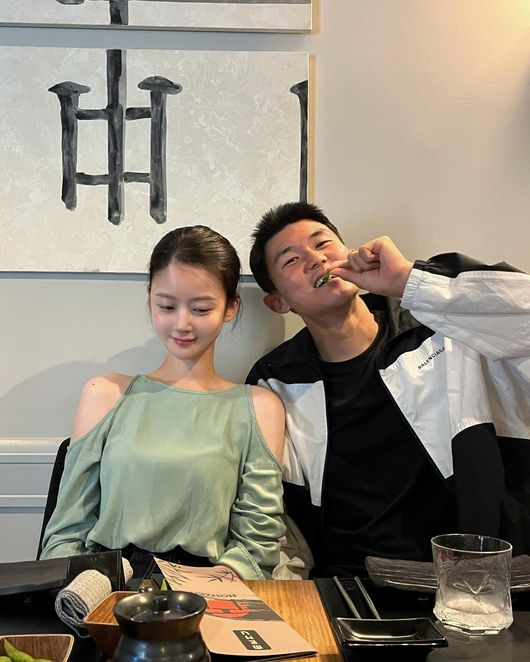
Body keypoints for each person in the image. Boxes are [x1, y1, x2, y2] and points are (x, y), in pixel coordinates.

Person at [246, 201, 530, 578]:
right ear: (279, 301)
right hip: (345, 584)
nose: (315, 259)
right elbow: (269, 511)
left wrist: (409, 282)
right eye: (291, 260)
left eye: (322, 243)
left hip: (467, 578)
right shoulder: (275, 381)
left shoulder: (441, 333)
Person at [40, 225, 286, 580]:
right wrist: (86, 594)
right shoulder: (105, 394)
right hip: (107, 583)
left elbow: (256, 548)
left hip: (210, 589)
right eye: (167, 306)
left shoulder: (259, 407)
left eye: (201, 309)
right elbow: (65, 534)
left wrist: (199, 592)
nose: (182, 324)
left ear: (230, 307)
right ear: (150, 298)